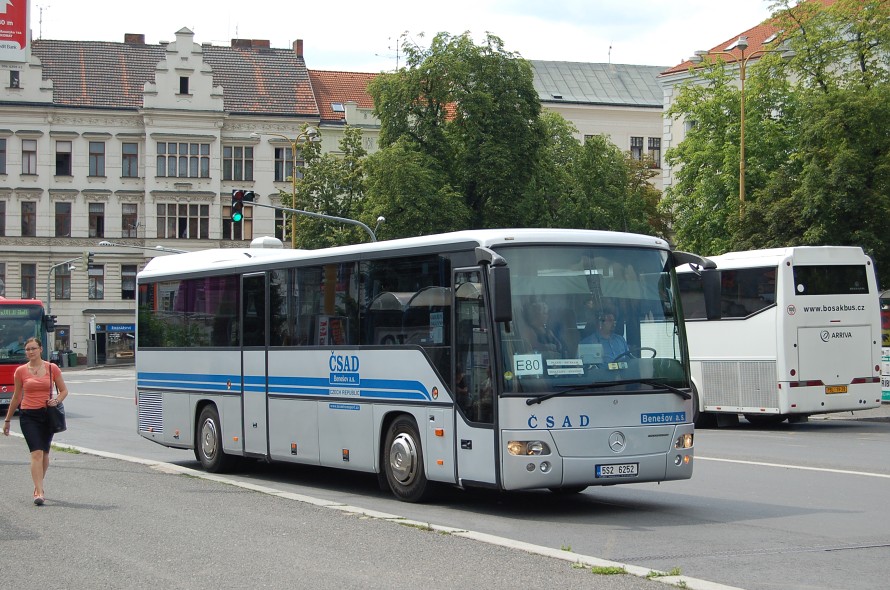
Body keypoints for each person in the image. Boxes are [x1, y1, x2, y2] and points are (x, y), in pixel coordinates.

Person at [3, 337, 69, 506]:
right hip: (28, 416)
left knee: (45, 453)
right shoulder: (20, 371)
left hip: (47, 415)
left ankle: (38, 484)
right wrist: (8, 420)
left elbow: (63, 391)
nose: (30, 352)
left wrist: (57, 400)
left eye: (33, 348)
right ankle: (39, 491)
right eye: (27, 349)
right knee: (36, 453)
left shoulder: (52, 368)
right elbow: (17, 396)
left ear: (40, 349)